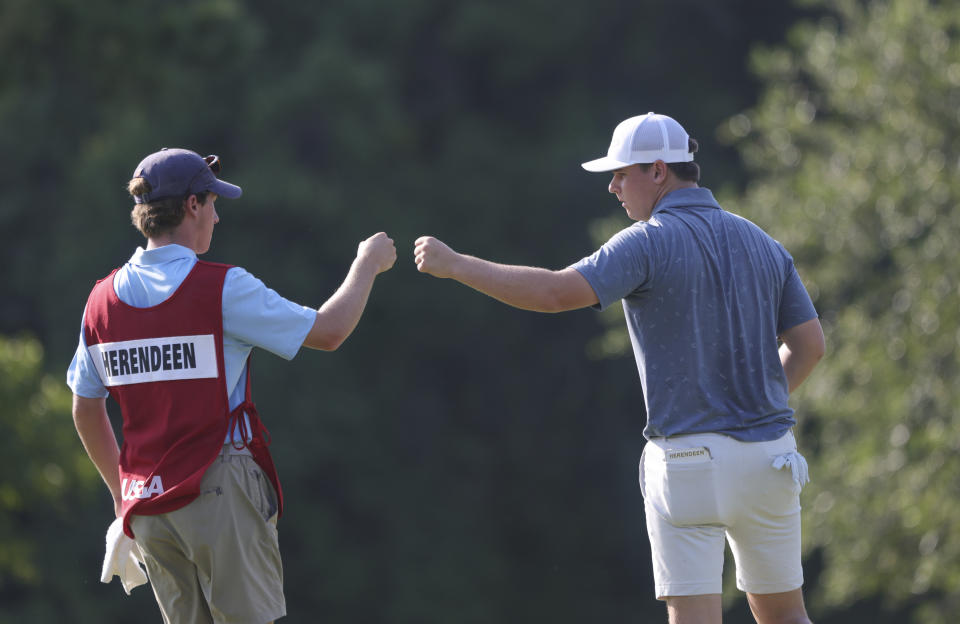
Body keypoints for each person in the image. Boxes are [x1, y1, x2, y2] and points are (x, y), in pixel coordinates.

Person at [413, 113, 825, 624]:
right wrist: (759, 403)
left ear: (658, 171)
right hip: (771, 459)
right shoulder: (765, 244)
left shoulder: (647, 241)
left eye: (621, 173)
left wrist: (457, 265)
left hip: (688, 460)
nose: (612, 187)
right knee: (787, 616)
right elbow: (809, 346)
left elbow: (554, 291)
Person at [67, 148, 396, 624]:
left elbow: (85, 408)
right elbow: (330, 331)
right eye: (212, 203)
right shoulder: (222, 287)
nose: (218, 217)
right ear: (192, 206)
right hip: (217, 486)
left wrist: (122, 497)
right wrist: (368, 264)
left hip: (148, 505)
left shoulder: (99, 302)